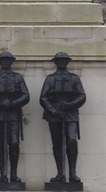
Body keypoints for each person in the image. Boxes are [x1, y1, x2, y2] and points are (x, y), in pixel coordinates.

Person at [0, 52, 29, 183]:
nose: (6, 62)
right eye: (3, 60)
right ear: (0, 62)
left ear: (12, 62)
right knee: (0, 145)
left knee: (14, 143)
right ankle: (2, 174)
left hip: (13, 113)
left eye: (8, 60)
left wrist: (13, 103)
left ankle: (13, 174)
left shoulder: (18, 77)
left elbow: (26, 95)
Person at [40, 52, 86, 183]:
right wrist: (54, 111)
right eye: (59, 60)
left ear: (67, 62)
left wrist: (69, 105)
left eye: (63, 60)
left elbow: (82, 96)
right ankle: (60, 173)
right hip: (54, 115)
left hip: (70, 114)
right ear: (55, 62)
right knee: (57, 144)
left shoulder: (74, 78)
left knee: (71, 141)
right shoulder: (50, 79)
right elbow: (43, 98)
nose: (61, 63)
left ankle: (72, 173)